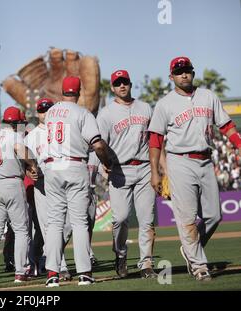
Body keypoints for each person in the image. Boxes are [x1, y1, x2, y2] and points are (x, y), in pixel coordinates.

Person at [149, 56, 241, 281]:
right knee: (187, 218)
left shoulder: (208, 96)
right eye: (179, 71)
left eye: (187, 70)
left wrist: (239, 144)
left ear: (193, 72)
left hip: (205, 160)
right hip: (180, 161)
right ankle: (199, 265)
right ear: (171, 76)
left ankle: (191, 249)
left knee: (214, 215)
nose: (184, 74)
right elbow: (155, 139)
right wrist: (155, 171)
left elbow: (226, 125)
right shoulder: (165, 104)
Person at [44, 76, 112, 287]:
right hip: (74, 166)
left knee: (55, 223)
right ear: (79, 91)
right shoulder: (82, 113)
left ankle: (52, 274)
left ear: (62, 92)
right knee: (80, 222)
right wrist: (107, 163)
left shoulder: (50, 113)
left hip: (52, 167)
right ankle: (84, 273)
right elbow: (98, 145)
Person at [96, 70, 157, 279]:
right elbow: (99, 144)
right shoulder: (106, 114)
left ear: (130, 84)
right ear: (113, 88)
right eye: (118, 83)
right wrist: (104, 163)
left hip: (145, 167)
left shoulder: (145, 108)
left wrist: (159, 168)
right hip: (120, 169)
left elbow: (154, 140)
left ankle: (146, 263)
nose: (122, 86)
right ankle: (120, 255)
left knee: (146, 219)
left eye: (125, 82)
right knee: (120, 218)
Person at [0, 107, 38, 285]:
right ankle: (20, 272)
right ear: (15, 123)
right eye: (21, 123)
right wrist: (32, 164)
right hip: (11, 182)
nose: (22, 126)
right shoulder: (14, 136)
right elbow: (20, 150)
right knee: (21, 230)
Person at [24, 98, 73, 280]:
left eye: (48, 109)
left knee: (68, 224)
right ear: (38, 114)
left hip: (62, 180)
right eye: (42, 110)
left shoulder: (63, 129)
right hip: (42, 184)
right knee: (47, 227)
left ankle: (48, 257)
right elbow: (24, 161)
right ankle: (60, 266)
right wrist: (29, 171)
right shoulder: (31, 136)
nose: (45, 113)